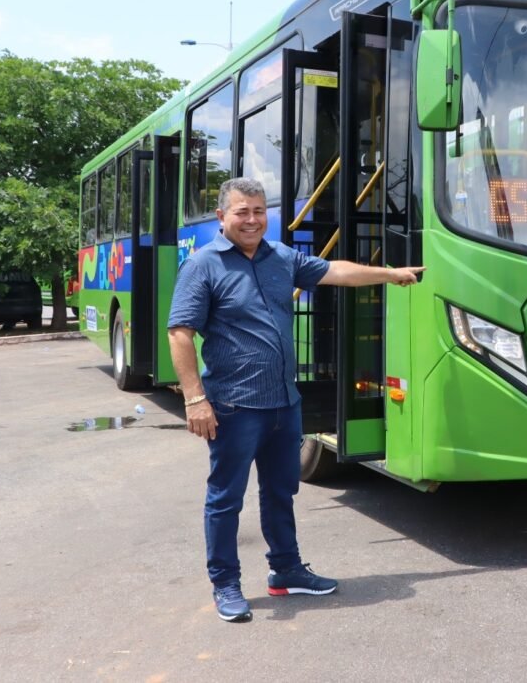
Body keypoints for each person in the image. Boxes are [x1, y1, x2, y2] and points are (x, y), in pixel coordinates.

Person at [167, 176, 424, 623]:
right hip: (233, 405)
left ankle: (286, 570)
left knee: (281, 491)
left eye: (259, 211)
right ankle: (225, 584)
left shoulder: (280, 257)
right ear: (221, 217)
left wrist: (390, 274)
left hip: (285, 403)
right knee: (226, 498)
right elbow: (180, 333)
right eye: (241, 212)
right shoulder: (202, 266)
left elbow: (336, 271)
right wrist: (195, 399)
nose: (251, 220)